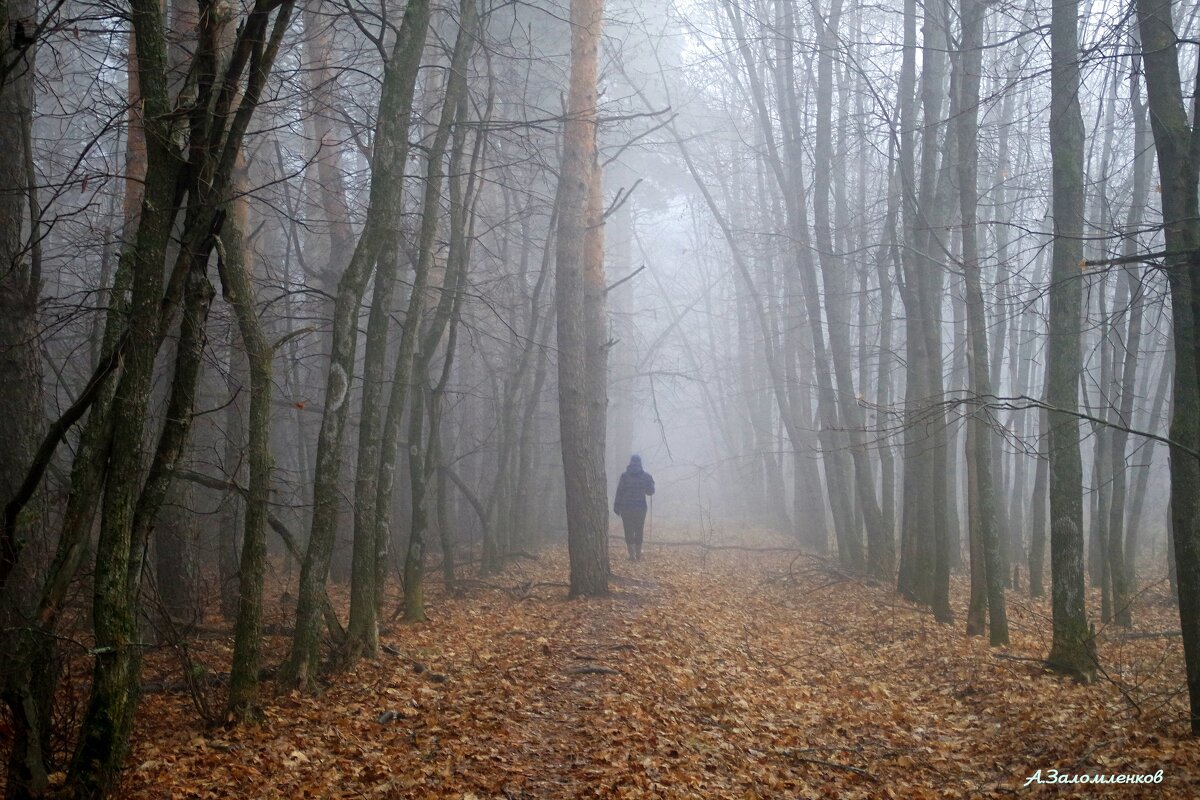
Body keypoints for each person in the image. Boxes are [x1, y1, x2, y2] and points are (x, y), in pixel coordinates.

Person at [613, 454, 655, 561]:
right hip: (640, 508)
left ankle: (631, 555)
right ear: (640, 463)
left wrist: (616, 506)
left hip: (626, 508)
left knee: (628, 530)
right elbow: (650, 492)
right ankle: (638, 555)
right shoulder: (645, 476)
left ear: (630, 463)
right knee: (639, 529)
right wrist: (651, 483)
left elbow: (619, 492)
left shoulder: (624, 476)